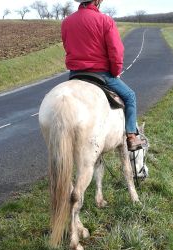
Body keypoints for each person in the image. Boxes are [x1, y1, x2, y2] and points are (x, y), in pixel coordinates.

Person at [61, 0, 145, 151]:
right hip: (101, 74)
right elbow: (116, 52)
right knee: (130, 96)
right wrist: (115, 72)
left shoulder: (66, 22)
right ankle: (132, 136)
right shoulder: (105, 20)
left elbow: (67, 46)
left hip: (75, 74)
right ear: (97, 1)